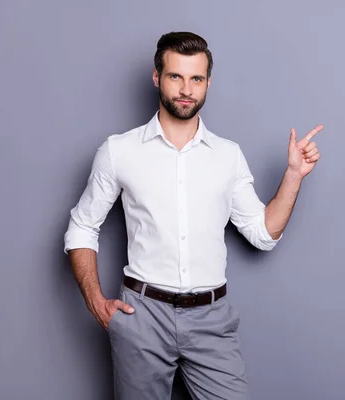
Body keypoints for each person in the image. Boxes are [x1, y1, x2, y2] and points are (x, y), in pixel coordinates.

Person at [63, 31, 323, 400]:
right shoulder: (119, 151)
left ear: (207, 83)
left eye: (196, 78)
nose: (186, 88)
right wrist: (96, 302)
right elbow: (82, 225)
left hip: (211, 318)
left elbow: (263, 234)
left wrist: (293, 176)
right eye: (176, 76)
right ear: (157, 77)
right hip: (142, 316)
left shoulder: (227, 155)